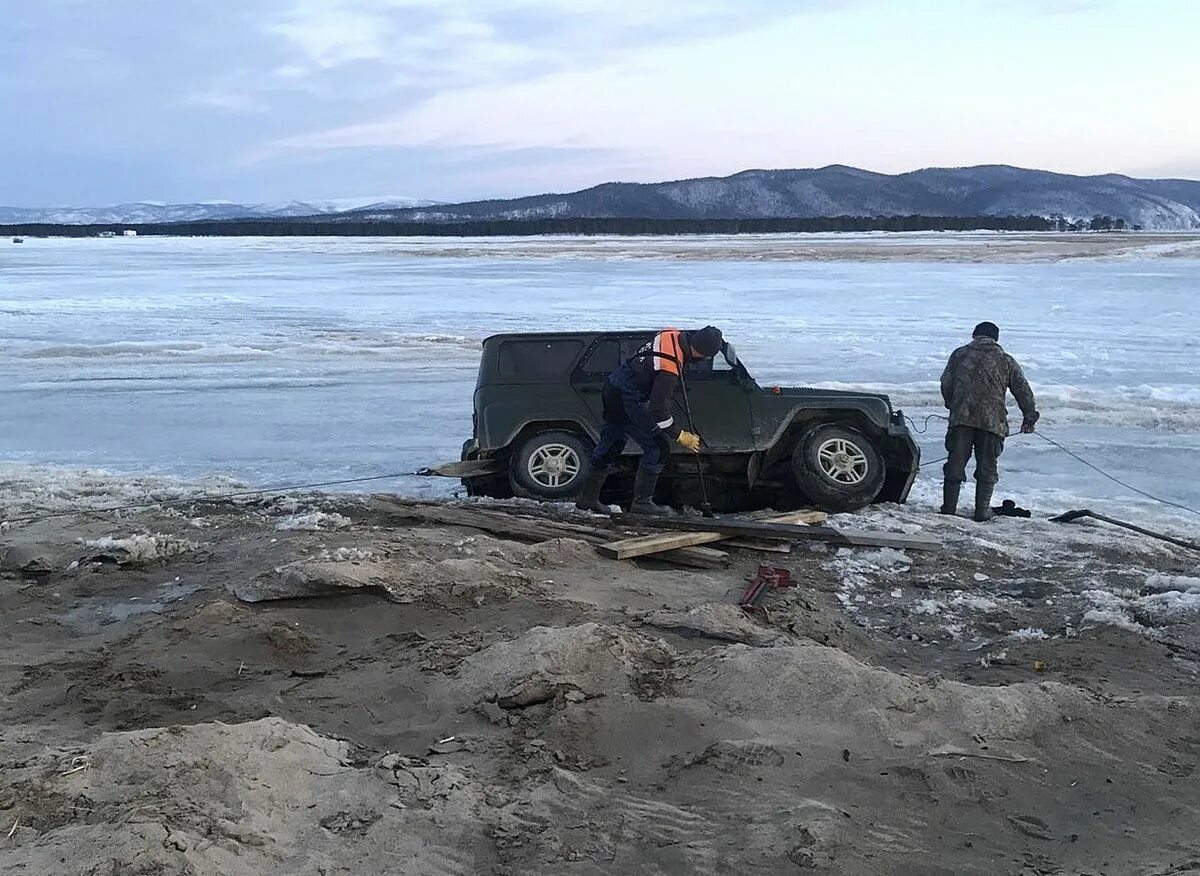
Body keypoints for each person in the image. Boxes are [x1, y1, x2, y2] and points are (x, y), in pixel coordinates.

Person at [575, 326, 724, 515]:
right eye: (706, 356)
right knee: (658, 447)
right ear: (699, 351)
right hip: (627, 397)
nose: (704, 360)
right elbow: (658, 409)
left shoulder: (671, 334)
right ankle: (642, 504)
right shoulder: (669, 367)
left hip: (613, 386)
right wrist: (679, 435)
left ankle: (587, 500)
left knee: (612, 441)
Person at [939, 321, 1039, 521]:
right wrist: (1029, 416)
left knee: (955, 465)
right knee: (987, 467)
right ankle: (982, 512)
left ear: (974, 335)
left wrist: (953, 405)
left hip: (962, 419)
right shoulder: (1005, 360)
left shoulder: (960, 354)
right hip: (992, 423)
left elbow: (945, 382)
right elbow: (1022, 389)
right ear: (996, 338)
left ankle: (949, 509)